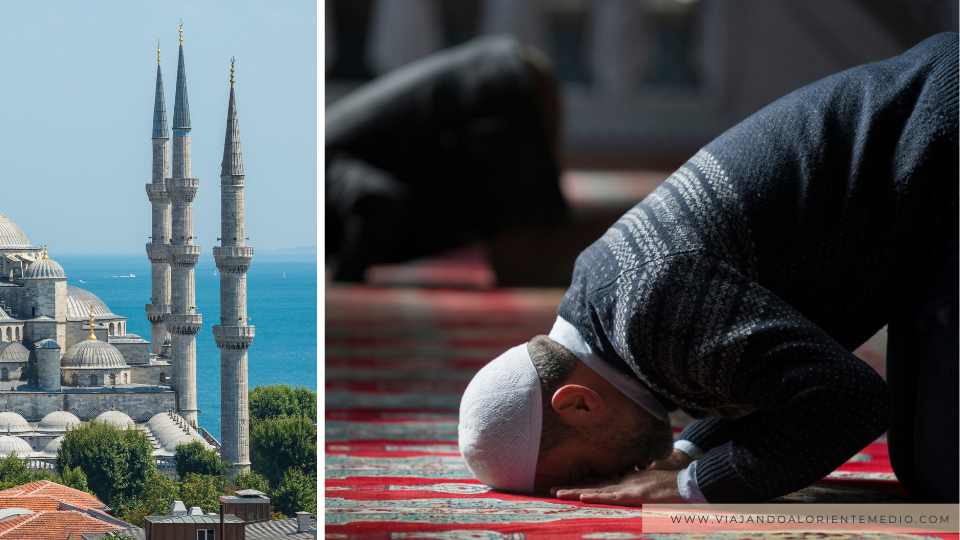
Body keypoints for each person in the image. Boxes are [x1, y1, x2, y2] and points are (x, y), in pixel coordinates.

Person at [458, 32, 958, 504]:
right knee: (922, 462)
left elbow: (851, 400)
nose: (615, 479)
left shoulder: (653, 309)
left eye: (588, 470)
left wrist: (692, 486)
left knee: (945, 470)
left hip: (944, 143)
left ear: (579, 404)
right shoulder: (607, 300)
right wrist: (687, 454)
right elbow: (763, 374)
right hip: (928, 185)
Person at [326, 37, 567, 281]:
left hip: (497, 91)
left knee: (523, 268)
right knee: (531, 259)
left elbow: (374, 202)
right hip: (506, 76)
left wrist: (344, 277)